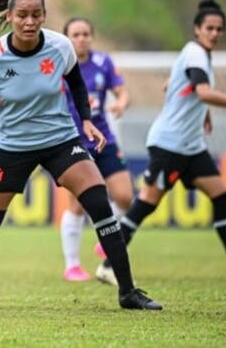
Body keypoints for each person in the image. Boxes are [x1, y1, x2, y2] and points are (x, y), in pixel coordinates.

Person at [0, 0, 161, 310]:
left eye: (36, 14)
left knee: (99, 202)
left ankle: (128, 292)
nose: (29, 22)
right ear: (10, 17)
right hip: (12, 146)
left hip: (60, 139)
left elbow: (76, 83)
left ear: (45, 16)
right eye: (22, 15)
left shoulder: (61, 47)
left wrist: (87, 119)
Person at [96, 0, 226, 287]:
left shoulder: (197, 55)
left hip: (191, 146)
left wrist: (203, 113)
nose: (215, 33)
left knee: (222, 196)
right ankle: (107, 265)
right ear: (197, 29)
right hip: (170, 145)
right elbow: (201, 91)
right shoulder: (195, 54)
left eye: (219, 29)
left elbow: (175, 85)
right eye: (210, 28)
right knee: (146, 204)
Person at [58, 17, 134, 283]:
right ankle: (72, 265)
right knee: (77, 205)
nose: (81, 38)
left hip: (104, 138)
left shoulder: (104, 62)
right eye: (76, 34)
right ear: (67, 38)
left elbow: (122, 92)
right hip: (72, 141)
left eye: (86, 34)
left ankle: (107, 238)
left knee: (124, 197)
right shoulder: (56, 64)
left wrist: (122, 103)